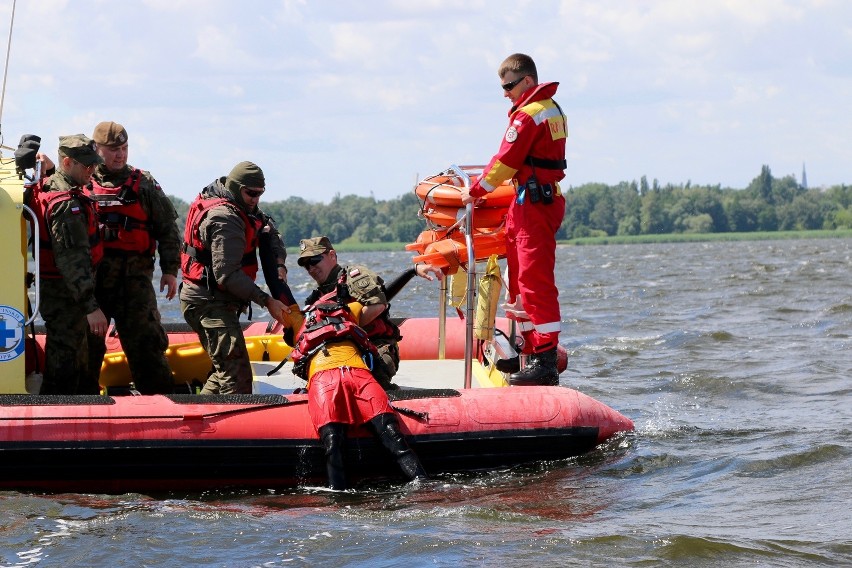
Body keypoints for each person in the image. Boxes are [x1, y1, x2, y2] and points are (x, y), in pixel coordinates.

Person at [460, 53, 567, 386]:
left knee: (534, 284)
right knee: (519, 284)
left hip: (534, 204)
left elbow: (505, 161)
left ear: (527, 82)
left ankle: (545, 360)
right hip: (531, 201)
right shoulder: (550, 109)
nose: (505, 93)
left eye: (508, 86)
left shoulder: (530, 115)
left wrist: (474, 192)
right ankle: (529, 353)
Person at [289, 275, 428, 490]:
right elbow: (380, 301)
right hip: (345, 375)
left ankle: (340, 496)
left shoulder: (299, 319)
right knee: (387, 436)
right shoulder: (347, 310)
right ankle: (422, 485)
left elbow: (380, 302)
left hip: (335, 377)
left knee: (336, 443)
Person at [179, 161, 293, 394]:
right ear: (236, 187)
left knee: (224, 373)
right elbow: (226, 275)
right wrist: (266, 300)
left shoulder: (241, 204)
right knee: (237, 377)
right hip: (208, 303)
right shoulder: (224, 218)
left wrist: (279, 263)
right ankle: (229, 429)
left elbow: (269, 230)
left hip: (218, 300)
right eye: (251, 194)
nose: (255, 199)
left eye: (260, 194)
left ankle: (197, 419)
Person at [85, 121, 180, 394]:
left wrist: (170, 270)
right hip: (95, 285)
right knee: (87, 351)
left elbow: (168, 230)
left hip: (135, 284)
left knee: (147, 347)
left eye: (124, 148)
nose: (120, 155)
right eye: (113, 149)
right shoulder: (83, 183)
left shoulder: (145, 184)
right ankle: (84, 407)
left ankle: (161, 406)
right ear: (97, 149)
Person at [29, 135, 108, 394]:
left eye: (94, 165)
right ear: (68, 162)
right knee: (65, 361)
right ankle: (57, 414)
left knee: (80, 356)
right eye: (87, 166)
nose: (92, 171)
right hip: (65, 296)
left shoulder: (52, 184)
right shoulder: (66, 206)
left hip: (66, 293)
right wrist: (90, 307)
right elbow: (72, 261)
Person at [298, 236, 408, 390]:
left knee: (373, 378)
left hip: (374, 346)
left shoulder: (353, 278)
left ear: (332, 255)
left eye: (314, 260)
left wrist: (343, 325)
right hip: (337, 351)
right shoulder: (315, 300)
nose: (311, 268)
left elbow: (378, 304)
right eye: (306, 265)